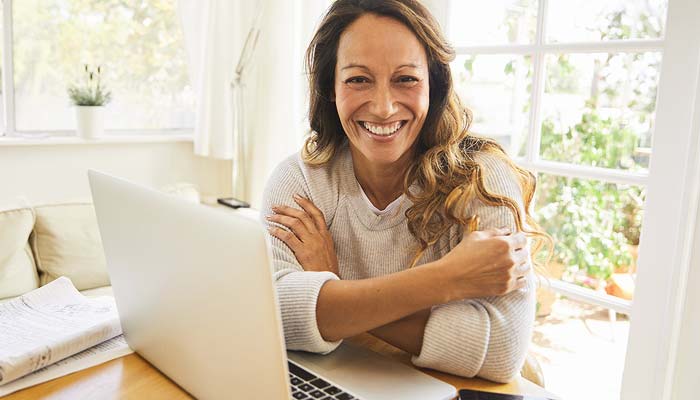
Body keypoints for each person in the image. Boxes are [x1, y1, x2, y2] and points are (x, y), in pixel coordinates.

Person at [261, 0, 550, 383]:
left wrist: (336, 292)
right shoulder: (300, 180)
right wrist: (447, 278)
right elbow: (275, 315)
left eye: (406, 79)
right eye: (358, 79)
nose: (383, 108)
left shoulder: (483, 181)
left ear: (435, 84)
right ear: (330, 87)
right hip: (352, 384)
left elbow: (501, 349)